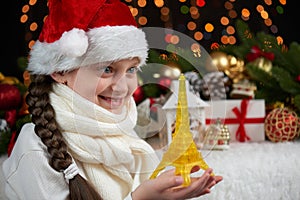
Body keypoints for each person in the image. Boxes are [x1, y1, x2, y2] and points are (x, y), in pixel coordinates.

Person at [2, 0, 222, 199]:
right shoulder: (35, 149)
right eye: (107, 69)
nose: (122, 87)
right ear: (60, 71)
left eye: (131, 69)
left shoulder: (123, 137)